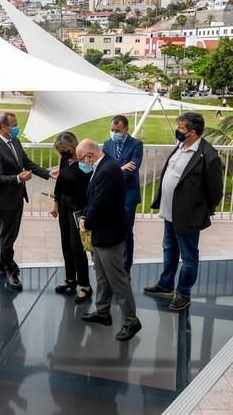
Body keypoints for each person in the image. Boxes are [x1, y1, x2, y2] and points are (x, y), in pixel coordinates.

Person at [144, 113, 224, 311]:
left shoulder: (208, 155)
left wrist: (201, 211)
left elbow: (215, 190)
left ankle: (183, 293)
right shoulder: (180, 146)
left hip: (188, 216)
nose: (177, 132)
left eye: (181, 129)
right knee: (169, 248)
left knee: (188, 256)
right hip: (169, 212)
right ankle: (166, 284)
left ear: (192, 132)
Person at [76, 139, 142, 342]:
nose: (81, 163)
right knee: (102, 275)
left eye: (81, 159)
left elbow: (100, 202)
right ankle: (103, 312)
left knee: (117, 280)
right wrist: (85, 216)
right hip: (100, 232)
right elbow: (93, 198)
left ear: (90, 156)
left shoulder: (108, 170)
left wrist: (86, 220)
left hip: (109, 234)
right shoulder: (104, 166)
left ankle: (132, 321)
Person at [0, 112, 56, 291]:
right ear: (3, 127)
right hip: (4, 200)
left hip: (17, 198)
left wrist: (48, 173)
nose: (17, 128)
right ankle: (10, 270)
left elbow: (27, 162)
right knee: (8, 237)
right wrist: (18, 178)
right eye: (14, 125)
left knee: (8, 235)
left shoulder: (15, 142)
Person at [49, 131, 92, 302]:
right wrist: (56, 204)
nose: (62, 154)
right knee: (66, 243)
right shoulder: (64, 160)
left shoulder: (85, 162)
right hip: (65, 205)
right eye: (60, 151)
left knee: (77, 246)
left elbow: (89, 189)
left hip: (78, 208)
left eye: (64, 150)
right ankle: (70, 278)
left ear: (72, 147)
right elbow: (60, 185)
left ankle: (85, 285)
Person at [103, 115, 143, 276]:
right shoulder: (107, 145)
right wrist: (120, 169)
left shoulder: (136, 145)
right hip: (111, 196)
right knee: (111, 230)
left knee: (126, 232)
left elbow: (133, 167)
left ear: (126, 129)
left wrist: (114, 172)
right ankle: (113, 264)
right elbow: (103, 168)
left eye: (117, 130)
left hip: (128, 196)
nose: (114, 133)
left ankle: (126, 267)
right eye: (112, 130)